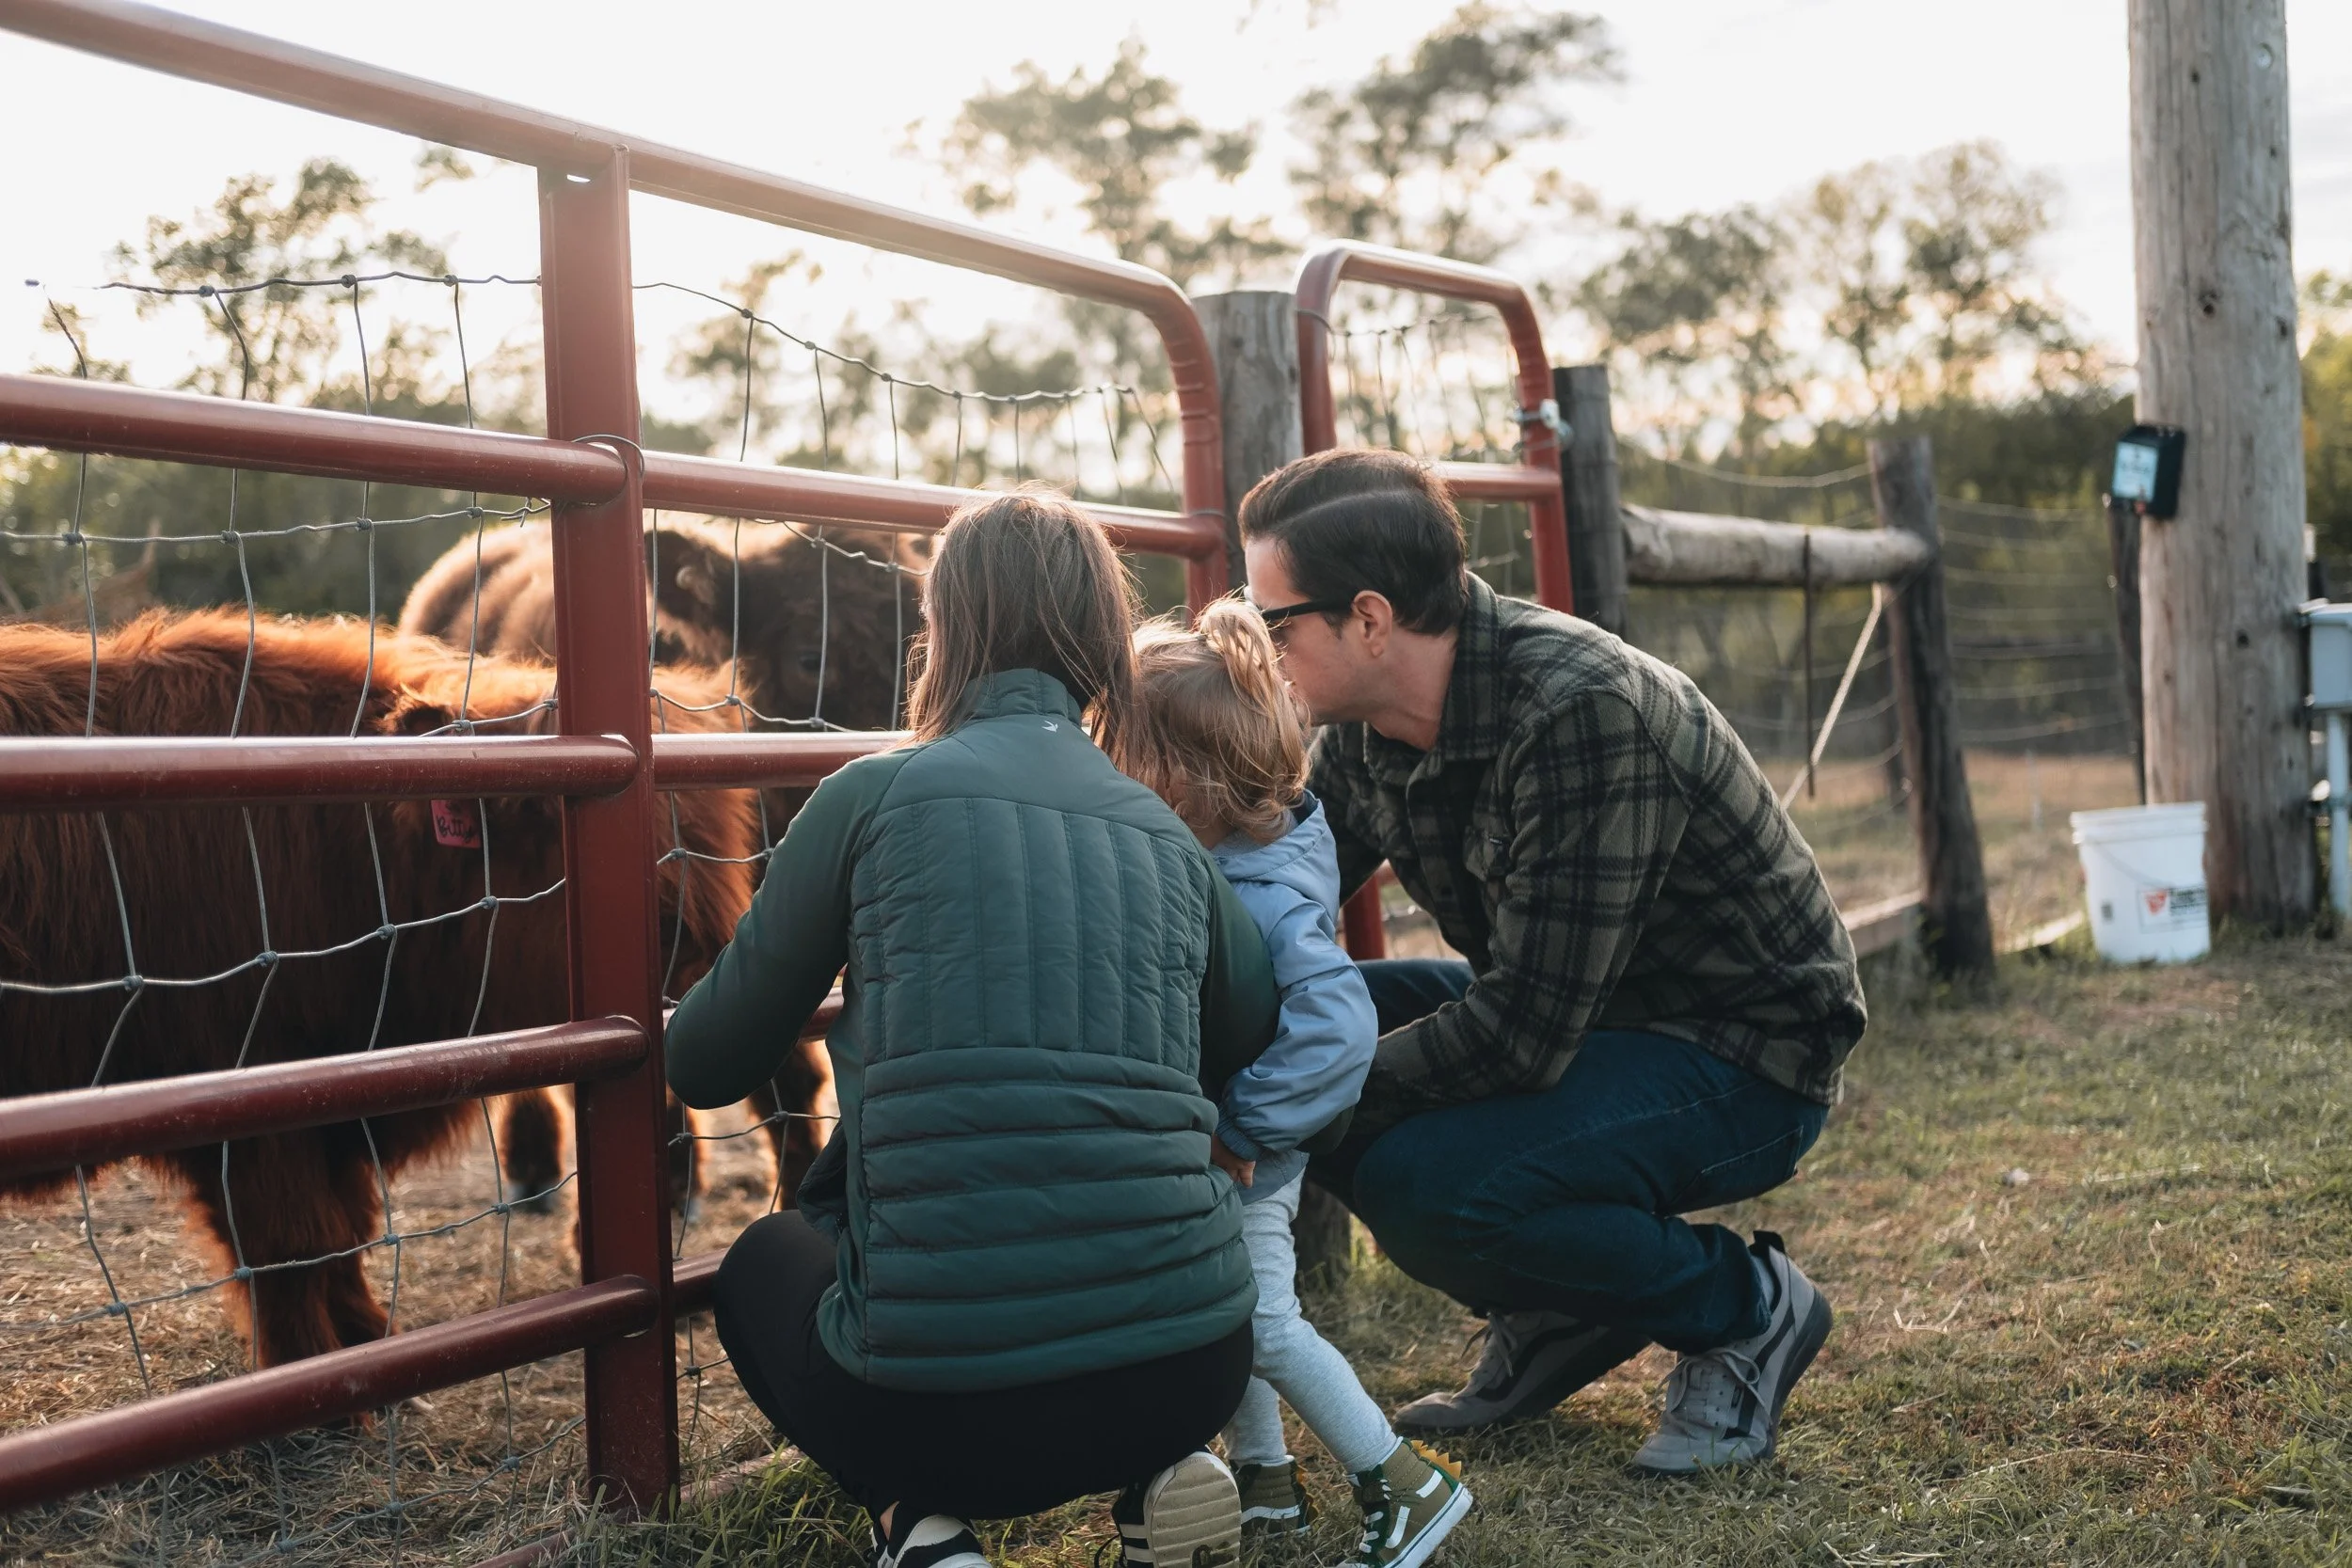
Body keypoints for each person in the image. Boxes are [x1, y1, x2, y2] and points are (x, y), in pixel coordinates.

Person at [666, 492, 1276, 1568]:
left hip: (941, 1409)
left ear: (938, 629)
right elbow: (1250, 1017)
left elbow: (707, 1061)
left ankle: (924, 1527)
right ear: (1103, 642)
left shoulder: (871, 797)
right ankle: (1159, 1474)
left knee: (764, 1259)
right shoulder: (1165, 836)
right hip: (1196, 1361)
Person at [1238, 449, 1867, 1474]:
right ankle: (1557, 1306)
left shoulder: (1580, 710)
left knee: (1427, 1184)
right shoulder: (1361, 729)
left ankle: (1742, 1308)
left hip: (1743, 1054)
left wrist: (1290, 1092)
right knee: (1301, 1020)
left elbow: (1522, 1037)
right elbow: (1280, 908)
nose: (1258, 651)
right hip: (1585, 1018)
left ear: (1367, 619)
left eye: (1274, 624)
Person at [1114, 601, 1471, 1568]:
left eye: (1120, 749)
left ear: (1181, 779)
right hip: (1239, 1142)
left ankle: (1402, 1478)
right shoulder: (1234, 855)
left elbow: (1339, 1024)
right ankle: (1265, 1475)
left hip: (1250, 1152)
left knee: (1262, 1319)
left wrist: (1243, 1127)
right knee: (1234, 1303)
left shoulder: (1257, 893)